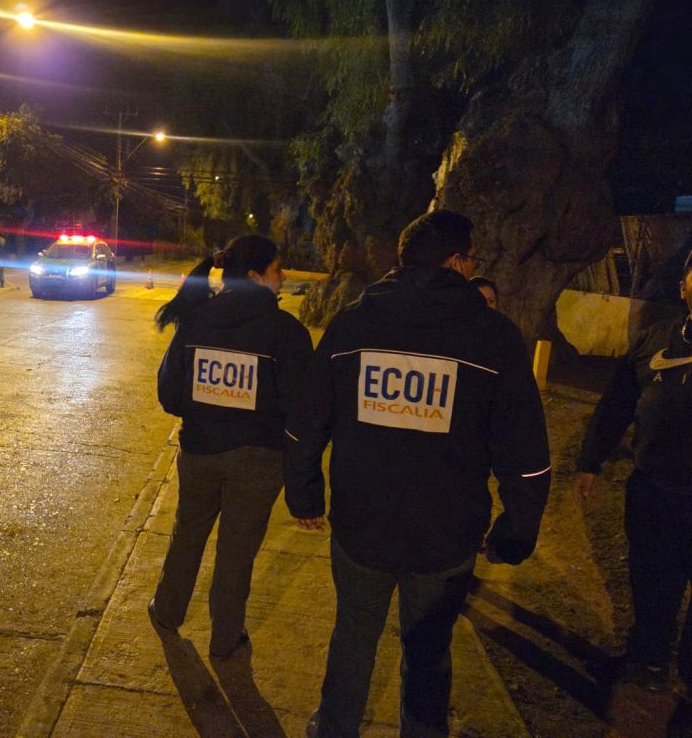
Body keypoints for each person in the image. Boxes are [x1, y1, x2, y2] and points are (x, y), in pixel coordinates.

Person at [285, 210, 551, 738]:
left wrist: (304, 494)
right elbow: (525, 452)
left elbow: (305, 422)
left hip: (361, 526)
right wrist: (515, 532)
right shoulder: (494, 338)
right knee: (428, 650)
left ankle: (335, 728)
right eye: (471, 258)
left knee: (353, 636)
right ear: (455, 261)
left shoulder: (353, 324)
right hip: (445, 536)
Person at [150, 234, 314, 659]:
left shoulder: (196, 320)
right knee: (237, 552)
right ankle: (225, 637)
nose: (283, 277)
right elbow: (301, 408)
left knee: (187, 533)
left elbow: (169, 394)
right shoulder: (286, 332)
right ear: (256, 276)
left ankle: (166, 612)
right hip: (258, 461)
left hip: (199, 453)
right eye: (277, 270)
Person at [575, 260, 692, 736]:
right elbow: (617, 402)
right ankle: (647, 661)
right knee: (651, 580)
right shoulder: (655, 340)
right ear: (684, 286)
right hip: (654, 491)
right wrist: (590, 460)